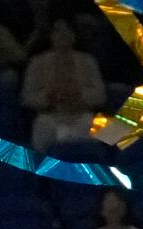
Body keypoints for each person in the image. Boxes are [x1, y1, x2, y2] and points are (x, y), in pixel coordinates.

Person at [21, 18, 105, 151]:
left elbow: (100, 96)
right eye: (58, 31)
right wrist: (49, 96)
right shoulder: (36, 63)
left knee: (93, 126)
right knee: (43, 126)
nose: (63, 35)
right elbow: (27, 97)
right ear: (50, 35)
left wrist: (79, 95)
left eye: (67, 31)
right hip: (49, 118)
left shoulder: (88, 61)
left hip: (82, 117)